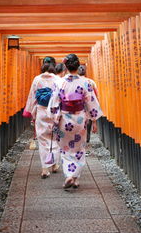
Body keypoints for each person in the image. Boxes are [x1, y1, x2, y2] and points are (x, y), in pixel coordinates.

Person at [48, 54, 103, 189]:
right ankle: (75, 177)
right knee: (79, 149)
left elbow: (54, 104)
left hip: (64, 120)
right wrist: (94, 120)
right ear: (78, 66)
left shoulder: (59, 82)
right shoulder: (85, 83)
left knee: (65, 149)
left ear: (65, 67)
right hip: (80, 120)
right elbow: (91, 103)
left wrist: (54, 118)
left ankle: (69, 176)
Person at [23, 56, 60, 178]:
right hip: (54, 112)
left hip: (41, 112)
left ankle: (45, 168)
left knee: (43, 139)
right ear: (53, 66)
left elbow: (32, 97)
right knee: (55, 138)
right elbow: (61, 98)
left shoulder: (37, 79)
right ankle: (54, 164)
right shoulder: (57, 79)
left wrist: (30, 113)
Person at [77, 65, 99, 144]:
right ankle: (86, 142)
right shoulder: (91, 82)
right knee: (87, 129)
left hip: (77, 110)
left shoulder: (74, 82)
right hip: (89, 109)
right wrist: (94, 122)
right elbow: (96, 98)